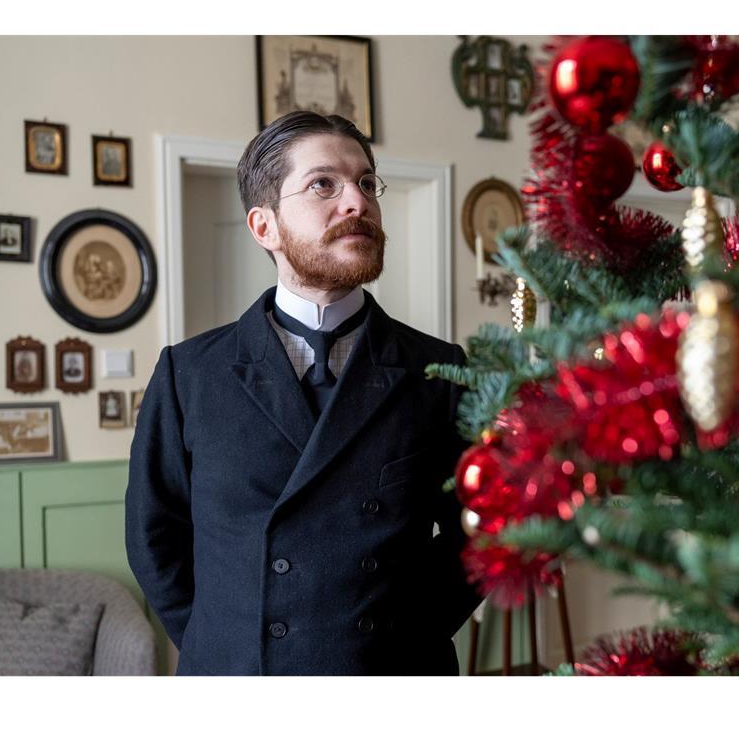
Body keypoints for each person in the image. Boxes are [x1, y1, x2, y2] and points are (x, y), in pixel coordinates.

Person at [125, 111, 480, 675]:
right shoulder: (188, 374)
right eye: (324, 185)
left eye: (366, 182)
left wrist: (410, 631)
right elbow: (154, 536)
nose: (357, 202)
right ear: (263, 226)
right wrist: (224, 639)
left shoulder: (439, 369)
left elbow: (479, 526)